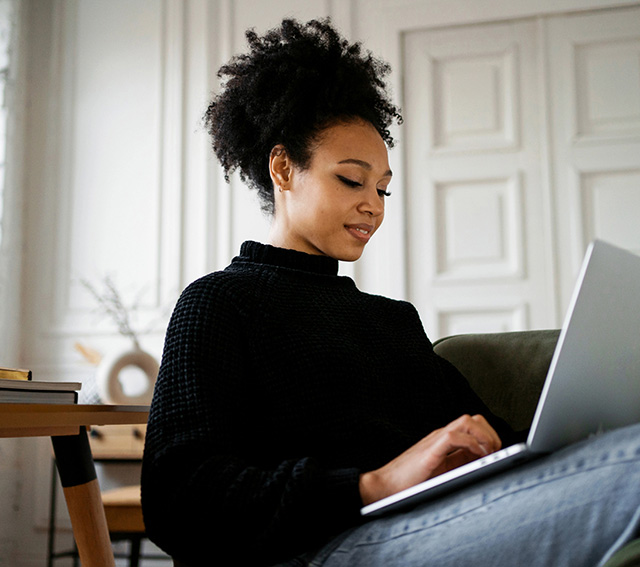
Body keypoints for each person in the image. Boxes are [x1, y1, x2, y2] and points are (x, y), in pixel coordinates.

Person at [141, 18, 640, 567]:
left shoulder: (391, 320)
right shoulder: (219, 303)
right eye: (352, 181)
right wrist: (373, 484)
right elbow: (177, 499)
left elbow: (489, 440)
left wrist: (571, 433)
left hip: (443, 522)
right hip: (323, 546)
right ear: (283, 168)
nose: (374, 206)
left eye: (382, 188)